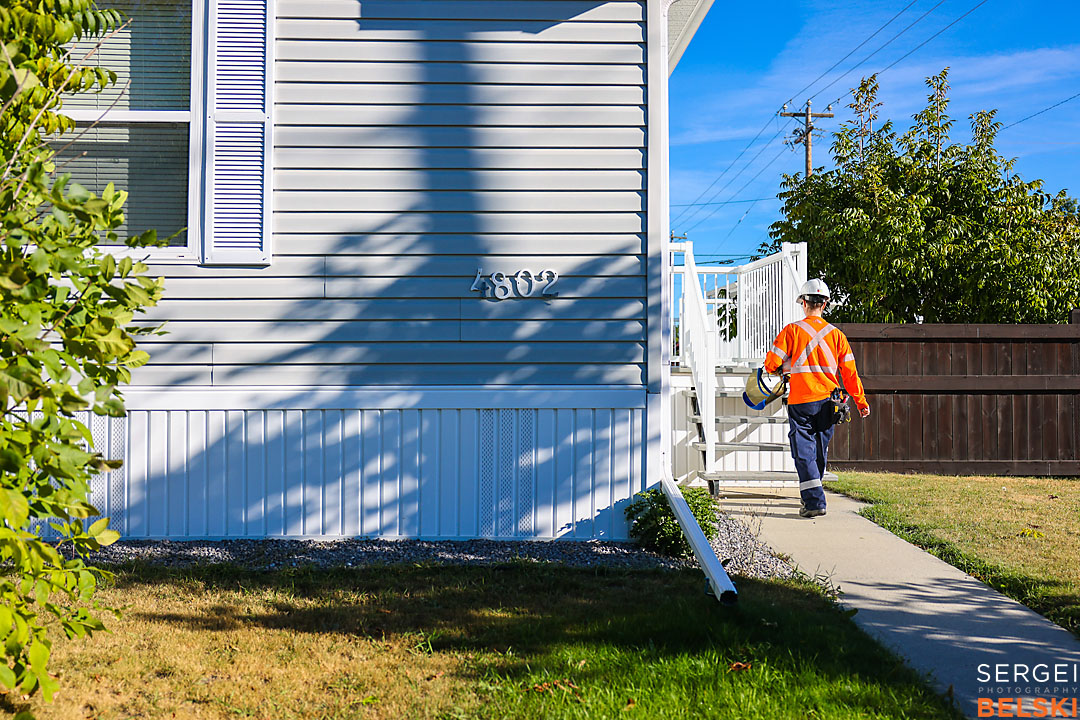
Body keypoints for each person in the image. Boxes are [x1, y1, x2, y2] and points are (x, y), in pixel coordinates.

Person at [764, 279, 870, 518]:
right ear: (825, 304)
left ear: (803, 302)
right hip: (829, 402)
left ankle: (814, 501)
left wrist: (784, 367)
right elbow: (850, 373)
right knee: (819, 451)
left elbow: (771, 364)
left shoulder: (791, 331)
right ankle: (813, 494)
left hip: (801, 401)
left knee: (803, 451)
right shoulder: (837, 336)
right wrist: (861, 402)